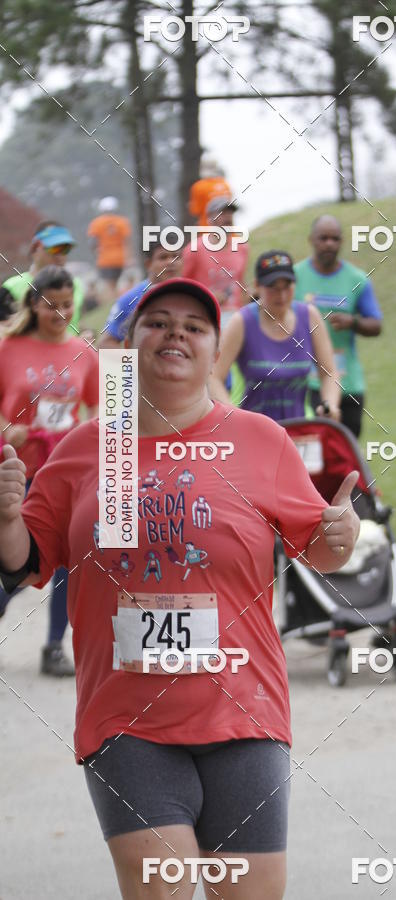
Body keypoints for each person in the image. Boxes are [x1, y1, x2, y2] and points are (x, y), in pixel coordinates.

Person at [0, 275, 360, 899]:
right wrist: (6, 518)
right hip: (127, 719)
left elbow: (322, 553)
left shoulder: (258, 440)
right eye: (157, 322)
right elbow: (25, 562)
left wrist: (342, 530)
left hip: (244, 711)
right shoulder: (91, 450)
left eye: (194, 327)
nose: (176, 335)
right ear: (129, 342)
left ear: (212, 351)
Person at [0, 266, 98, 675]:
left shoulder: (84, 352)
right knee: (13, 558)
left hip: (64, 471)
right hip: (17, 467)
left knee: (65, 561)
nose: (60, 313)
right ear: (34, 303)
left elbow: (98, 410)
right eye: (51, 304)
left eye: (67, 304)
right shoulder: (9, 349)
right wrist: (8, 430)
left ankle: (55, 646)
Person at [210, 250, 341, 422]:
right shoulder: (242, 322)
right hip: (254, 430)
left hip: (300, 427)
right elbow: (213, 377)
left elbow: (330, 372)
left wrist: (330, 404)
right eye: (273, 288)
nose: (282, 295)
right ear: (257, 286)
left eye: (287, 286)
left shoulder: (309, 317)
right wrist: (232, 417)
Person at [294, 214, 383, 438]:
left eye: (335, 239)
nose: (329, 244)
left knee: (346, 450)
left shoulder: (357, 280)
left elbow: (376, 325)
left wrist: (352, 322)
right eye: (323, 238)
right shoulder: (294, 277)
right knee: (311, 453)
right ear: (311, 240)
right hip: (307, 381)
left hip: (348, 381)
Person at [0, 221, 85, 335]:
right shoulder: (12, 287)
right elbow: (4, 334)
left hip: (73, 352)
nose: (60, 255)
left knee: (111, 352)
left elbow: (76, 325)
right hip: (30, 352)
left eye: (65, 249)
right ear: (35, 248)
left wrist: (88, 333)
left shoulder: (75, 285)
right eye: (55, 248)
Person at [182, 196, 250, 331]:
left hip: (235, 317)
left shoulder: (242, 248)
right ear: (210, 218)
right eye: (222, 213)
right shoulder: (194, 249)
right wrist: (208, 296)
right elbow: (183, 287)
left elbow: (241, 285)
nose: (228, 217)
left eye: (230, 213)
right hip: (205, 318)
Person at [98, 244, 183, 349]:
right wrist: (132, 365)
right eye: (163, 257)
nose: (171, 262)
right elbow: (106, 344)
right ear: (148, 264)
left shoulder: (193, 294)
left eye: (176, 257)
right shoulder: (131, 299)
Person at [87, 197, 131, 304]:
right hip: (119, 258)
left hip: (104, 258)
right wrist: (129, 257)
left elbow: (93, 242)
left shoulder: (96, 223)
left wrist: (95, 253)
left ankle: (114, 304)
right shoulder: (122, 222)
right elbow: (127, 242)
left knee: (110, 284)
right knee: (114, 283)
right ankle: (116, 302)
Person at [188, 156, 232, 226]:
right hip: (229, 230)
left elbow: (195, 211)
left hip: (208, 230)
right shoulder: (225, 185)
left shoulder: (198, 187)